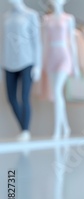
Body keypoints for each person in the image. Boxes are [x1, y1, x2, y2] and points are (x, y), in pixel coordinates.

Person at [1, 0, 42, 141]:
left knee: (24, 97)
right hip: (8, 62)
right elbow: (5, 42)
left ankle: (25, 130)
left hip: (27, 61)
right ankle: (23, 128)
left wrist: (38, 65)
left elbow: (37, 41)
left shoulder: (31, 15)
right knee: (11, 98)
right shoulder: (6, 16)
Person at [42, 0, 80, 140]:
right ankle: (66, 127)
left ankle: (57, 130)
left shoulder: (69, 19)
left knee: (57, 91)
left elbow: (72, 43)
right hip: (51, 56)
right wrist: (42, 63)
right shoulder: (46, 19)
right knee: (56, 94)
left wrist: (75, 65)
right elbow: (44, 42)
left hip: (64, 55)